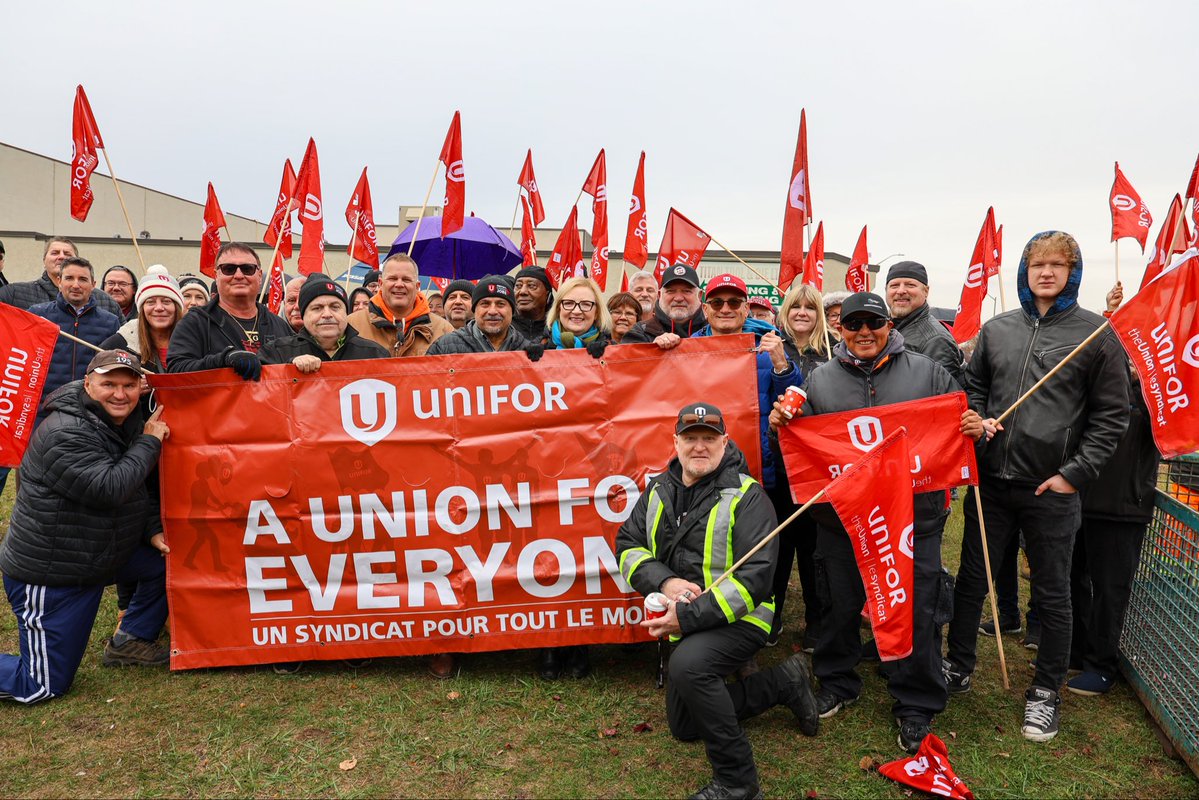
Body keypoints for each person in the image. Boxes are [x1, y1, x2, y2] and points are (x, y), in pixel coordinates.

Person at [770, 291, 984, 754]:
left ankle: (916, 700)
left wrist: (974, 424)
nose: (864, 333)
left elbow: (962, 415)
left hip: (914, 516)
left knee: (916, 604)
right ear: (840, 330)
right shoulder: (821, 380)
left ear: (890, 325)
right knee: (838, 603)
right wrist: (782, 421)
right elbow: (800, 434)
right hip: (844, 519)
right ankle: (836, 680)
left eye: (874, 323)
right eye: (853, 325)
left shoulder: (928, 372)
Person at [944, 231, 1129, 743]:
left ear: (1074, 271)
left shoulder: (1096, 335)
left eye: (1057, 264)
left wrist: (1074, 474)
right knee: (971, 579)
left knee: (1053, 591)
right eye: (1036, 264)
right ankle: (957, 665)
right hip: (992, 480)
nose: (1046, 272)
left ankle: (1046, 691)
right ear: (1025, 271)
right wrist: (976, 417)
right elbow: (974, 385)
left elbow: (1112, 416)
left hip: (1051, 489)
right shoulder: (996, 329)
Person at [616, 403, 819, 800]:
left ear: (725, 443)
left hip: (742, 619)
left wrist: (687, 618)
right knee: (685, 726)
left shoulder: (749, 496)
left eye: (709, 439)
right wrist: (667, 581)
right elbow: (627, 545)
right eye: (690, 438)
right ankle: (784, 682)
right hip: (688, 616)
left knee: (689, 667)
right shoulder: (658, 489)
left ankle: (738, 782)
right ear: (675, 442)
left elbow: (755, 581)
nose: (699, 447)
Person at [0, 350, 172, 703]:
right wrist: (150, 441)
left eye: (128, 385)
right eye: (109, 384)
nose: (120, 394)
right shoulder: (66, 432)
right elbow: (111, 488)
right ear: (88, 383)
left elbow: (137, 491)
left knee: (168, 562)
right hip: (54, 573)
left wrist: (154, 528)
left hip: (96, 553)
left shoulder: (119, 420)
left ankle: (131, 640)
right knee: (41, 685)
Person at [527, 277, 611, 681]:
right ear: (557, 309)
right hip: (545, 470)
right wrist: (520, 364)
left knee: (583, 558)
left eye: (586, 305)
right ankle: (548, 643)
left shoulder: (616, 351)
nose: (577, 312)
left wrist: (612, 359)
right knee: (547, 558)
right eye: (569, 305)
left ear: (599, 312)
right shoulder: (535, 350)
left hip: (592, 472)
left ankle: (579, 643)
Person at [766, 283, 832, 650]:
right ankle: (770, 617)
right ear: (785, 312)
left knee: (814, 551)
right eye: (795, 307)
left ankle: (817, 621)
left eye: (809, 307)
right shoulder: (771, 347)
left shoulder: (833, 351)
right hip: (777, 467)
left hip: (817, 467)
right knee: (775, 547)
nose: (802, 313)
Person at [167, 242, 294, 379]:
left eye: (247, 269)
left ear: (259, 275)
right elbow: (176, 371)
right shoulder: (195, 322)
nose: (239, 275)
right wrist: (223, 360)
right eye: (229, 269)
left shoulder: (279, 325)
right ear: (216, 275)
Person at [29, 257, 120, 412]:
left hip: (90, 410)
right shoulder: (37, 315)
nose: (76, 285)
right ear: (59, 282)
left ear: (93, 285)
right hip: (42, 409)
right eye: (69, 278)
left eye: (83, 279)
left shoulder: (110, 322)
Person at [260, 275, 389, 370]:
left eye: (335, 307)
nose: (327, 314)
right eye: (317, 308)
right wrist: (288, 368)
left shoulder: (375, 354)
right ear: (304, 316)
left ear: (346, 313)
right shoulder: (278, 352)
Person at [347, 254, 453, 357]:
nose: (399, 284)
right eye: (392, 278)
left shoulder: (443, 330)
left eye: (406, 279)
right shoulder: (351, 325)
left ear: (417, 286)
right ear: (380, 283)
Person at [884, 261, 965, 387]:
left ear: (926, 291)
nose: (900, 291)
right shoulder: (881, 329)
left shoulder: (937, 341)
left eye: (910, 285)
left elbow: (940, 397)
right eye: (894, 285)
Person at [0, 237, 122, 315]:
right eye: (55, 253)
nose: (61, 257)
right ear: (44, 260)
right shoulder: (13, 293)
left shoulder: (106, 301)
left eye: (67, 254)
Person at [101, 265, 185, 374]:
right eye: (151, 302)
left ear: (177, 307)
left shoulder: (196, 339)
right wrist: (132, 385)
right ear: (142, 308)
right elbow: (98, 382)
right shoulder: (120, 343)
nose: (159, 308)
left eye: (166, 301)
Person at [426, 278, 528, 355]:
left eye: (500, 304)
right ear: (474, 310)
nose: (492, 311)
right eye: (485, 304)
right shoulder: (443, 348)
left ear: (513, 310)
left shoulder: (528, 350)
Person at [621, 264, 708, 343]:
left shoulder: (713, 331)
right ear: (659, 295)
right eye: (671, 291)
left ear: (700, 296)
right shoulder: (640, 332)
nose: (678, 298)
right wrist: (651, 350)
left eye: (687, 291)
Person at [512, 265, 553, 341]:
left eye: (531, 286)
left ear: (547, 294)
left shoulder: (557, 328)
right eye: (518, 286)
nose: (522, 291)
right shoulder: (505, 327)